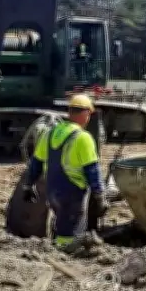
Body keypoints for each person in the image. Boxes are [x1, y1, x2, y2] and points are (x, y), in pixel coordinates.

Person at [21, 94, 109, 251]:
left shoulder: (49, 134)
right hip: (72, 192)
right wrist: (100, 197)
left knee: (62, 222)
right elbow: (92, 170)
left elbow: (36, 163)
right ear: (85, 114)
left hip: (52, 190)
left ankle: (58, 246)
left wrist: (28, 186)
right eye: (89, 114)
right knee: (72, 232)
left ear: (70, 113)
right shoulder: (83, 138)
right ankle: (66, 255)